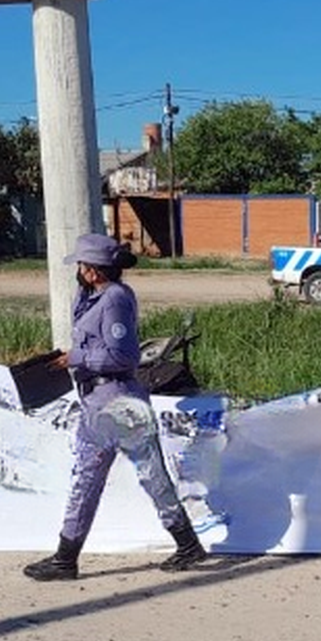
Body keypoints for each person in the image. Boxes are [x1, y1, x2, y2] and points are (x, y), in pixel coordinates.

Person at [24, 234, 207, 582]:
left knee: (147, 476)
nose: (77, 271)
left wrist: (76, 358)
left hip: (118, 401)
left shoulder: (116, 299)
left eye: (81, 265)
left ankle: (185, 544)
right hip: (98, 403)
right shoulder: (93, 298)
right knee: (88, 479)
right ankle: (66, 557)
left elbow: (124, 356)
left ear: (93, 271)